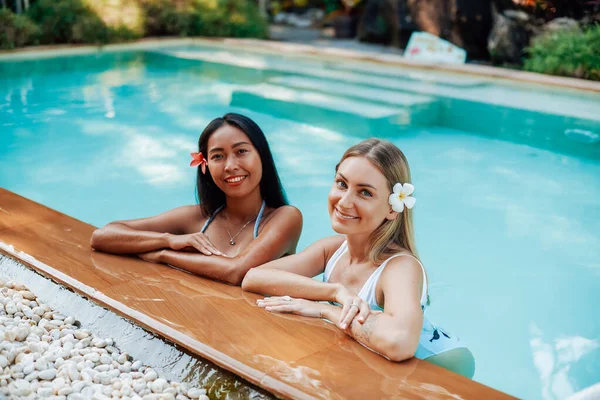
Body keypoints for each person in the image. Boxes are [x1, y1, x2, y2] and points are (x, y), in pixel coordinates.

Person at [241, 138, 475, 377]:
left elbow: (399, 343)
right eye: (342, 184)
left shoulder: (400, 267)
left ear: (392, 208)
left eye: (364, 192)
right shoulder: (332, 250)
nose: (344, 202)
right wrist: (333, 293)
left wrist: (326, 311)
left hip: (440, 363)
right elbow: (254, 277)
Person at [91, 113, 302, 285]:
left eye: (241, 151)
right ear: (206, 166)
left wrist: (164, 255)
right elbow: (103, 236)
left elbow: (236, 272)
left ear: (262, 155)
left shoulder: (285, 218)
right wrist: (169, 240)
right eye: (218, 156)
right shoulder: (196, 217)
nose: (230, 165)